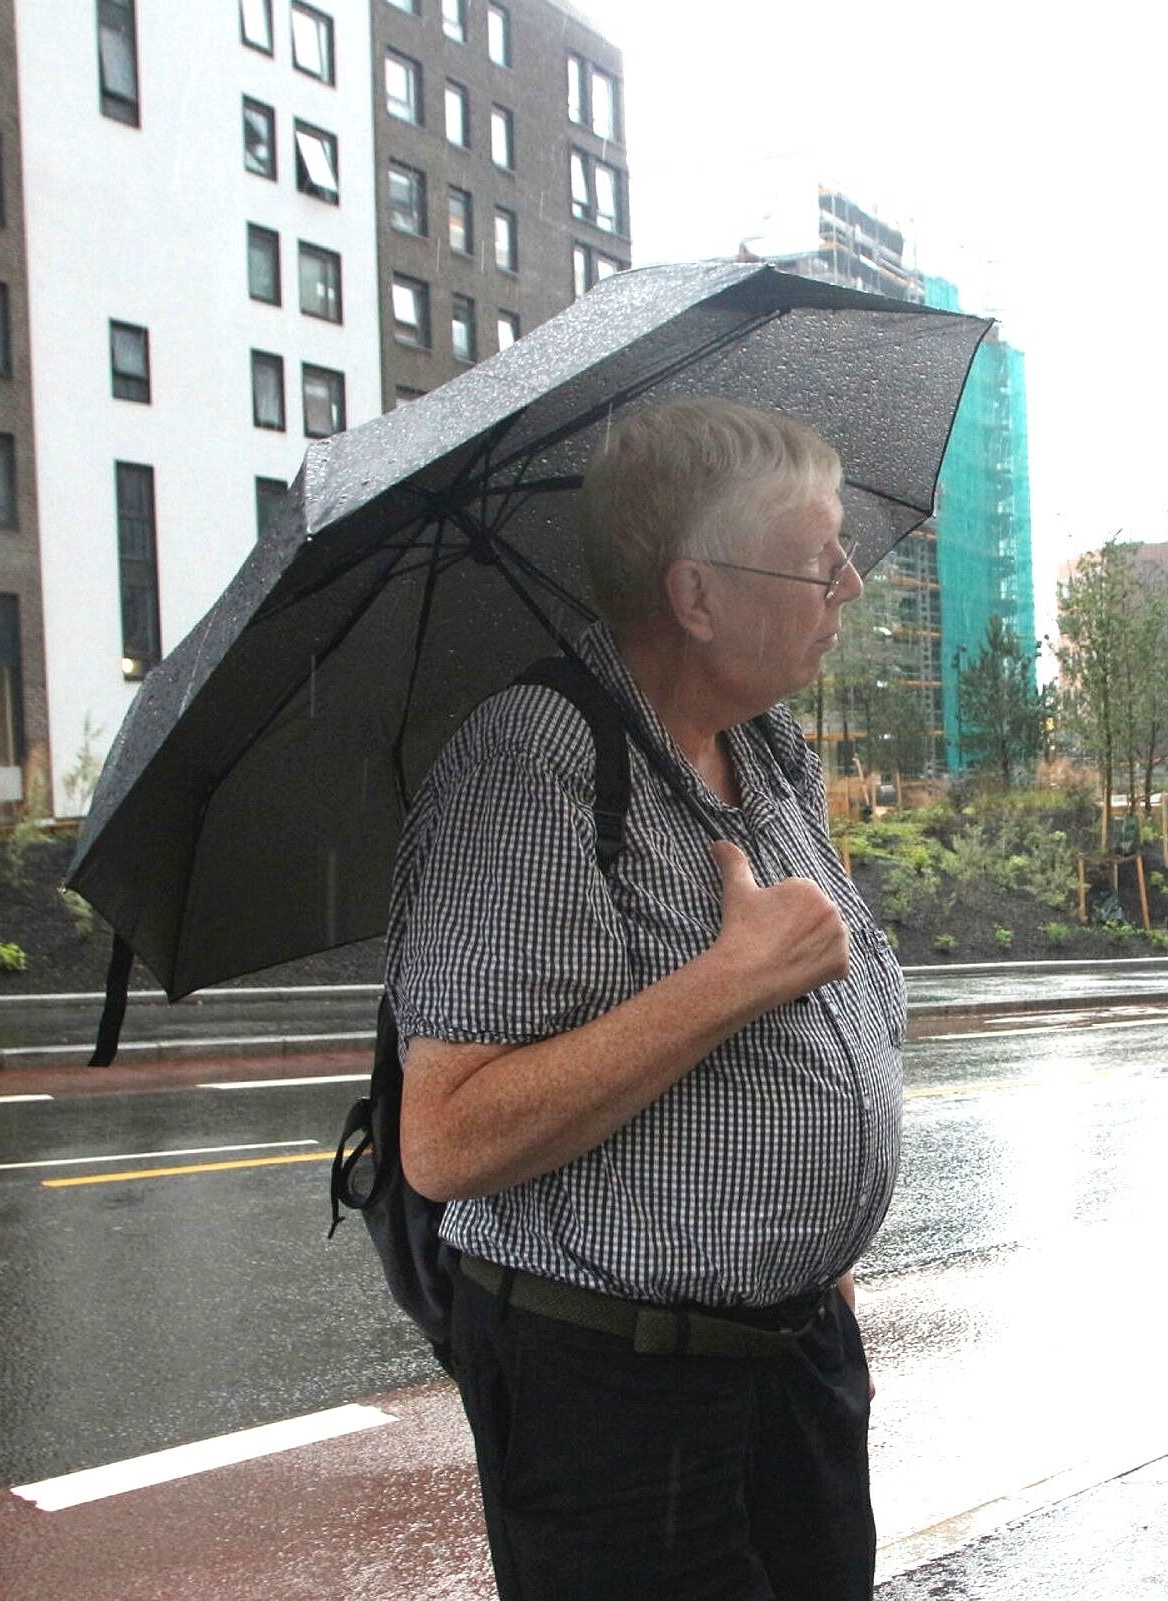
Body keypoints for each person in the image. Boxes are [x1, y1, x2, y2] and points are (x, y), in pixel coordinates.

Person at [383, 396, 906, 1600]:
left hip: (792, 1362)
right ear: (698, 595)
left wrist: (817, 1264)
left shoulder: (766, 749)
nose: (848, 586)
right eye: (817, 559)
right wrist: (732, 979)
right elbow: (447, 1136)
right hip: (621, 1399)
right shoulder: (532, 762)